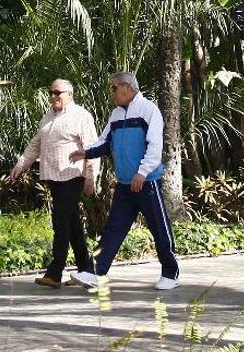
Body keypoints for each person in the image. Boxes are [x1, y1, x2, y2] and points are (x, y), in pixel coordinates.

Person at [68, 71, 179, 291]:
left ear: (127, 88)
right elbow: (104, 142)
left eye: (113, 88)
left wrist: (142, 173)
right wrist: (85, 153)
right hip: (124, 185)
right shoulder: (116, 114)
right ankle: (95, 272)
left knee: (159, 228)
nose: (112, 93)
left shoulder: (149, 111)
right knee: (113, 229)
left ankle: (170, 272)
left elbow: (155, 147)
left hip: (147, 183)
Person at [11, 79, 100, 288]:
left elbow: (92, 148)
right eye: (51, 92)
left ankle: (55, 272)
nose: (53, 96)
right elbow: (35, 145)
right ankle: (87, 272)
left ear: (70, 94)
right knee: (72, 224)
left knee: (60, 222)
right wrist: (20, 164)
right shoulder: (48, 117)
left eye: (57, 93)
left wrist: (90, 176)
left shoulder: (81, 116)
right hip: (53, 177)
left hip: (72, 175)